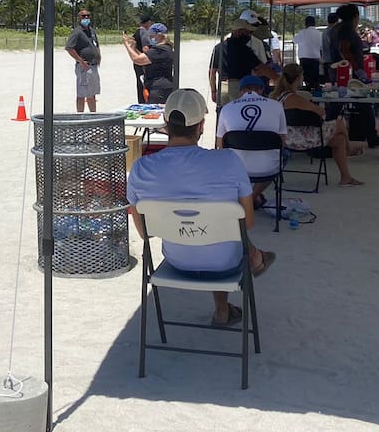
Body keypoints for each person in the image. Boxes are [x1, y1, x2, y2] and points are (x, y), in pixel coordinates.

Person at [127, 89, 275, 327]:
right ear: (202, 125)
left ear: (165, 123)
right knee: (227, 232)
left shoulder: (141, 169)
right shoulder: (228, 161)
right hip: (224, 264)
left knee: (218, 229)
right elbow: (247, 222)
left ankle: (226, 305)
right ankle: (253, 262)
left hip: (178, 262)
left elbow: (144, 233)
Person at [270, 63, 363, 186]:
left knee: (339, 139)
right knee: (340, 123)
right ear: (298, 78)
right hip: (303, 139)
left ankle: (346, 177)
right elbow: (321, 112)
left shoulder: (276, 97)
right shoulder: (294, 98)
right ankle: (349, 150)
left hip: (285, 139)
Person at [216, 74, 288, 208]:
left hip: (236, 169)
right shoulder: (276, 106)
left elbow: (220, 145)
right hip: (268, 168)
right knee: (285, 156)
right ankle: (252, 197)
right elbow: (283, 142)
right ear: (261, 90)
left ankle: (246, 197)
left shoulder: (226, 108)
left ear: (240, 91)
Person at [331, 3, 379, 147]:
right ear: (355, 16)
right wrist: (357, 69)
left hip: (342, 73)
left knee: (344, 105)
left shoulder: (337, 28)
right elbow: (344, 49)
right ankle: (371, 137)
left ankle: (371, 136)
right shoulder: (347, 29)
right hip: (350, 76)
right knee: (359, 104)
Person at [122, 22, 175, 103]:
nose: (150, 36)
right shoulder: (164, 48)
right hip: (158, 87)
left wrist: (127, 45)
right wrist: (133, 47)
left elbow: (138, 60)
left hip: (159, 89)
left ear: (160, 35)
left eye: (152, 34)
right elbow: (145, 57)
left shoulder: (161, 49)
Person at [65, 9, 101, 112]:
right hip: (83, 67)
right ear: (79, 18)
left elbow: (96, 45)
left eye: (88, 16)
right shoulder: (77, 32)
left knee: (92, 93)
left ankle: (93, 116)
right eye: (83, 16)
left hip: (93, 66)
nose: (86, 18)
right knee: (82, 93)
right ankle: (80, 116)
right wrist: (80, 61)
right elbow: (69, 48)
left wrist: (99, 56)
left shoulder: (92, 31)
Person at [293, 15, 323, 89]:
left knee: (306, 79)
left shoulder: (302, 32)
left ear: (306, 23)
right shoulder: (319, 33)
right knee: (315, 80)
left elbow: (294, 41)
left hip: (304, 60)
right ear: (314, 23)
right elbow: (321, 47)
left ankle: (308, 93)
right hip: (315, 59)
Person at [131, 13, 154, 102]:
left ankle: (141, 101)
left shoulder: (136, 32)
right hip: (143, 64)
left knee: (140, 85)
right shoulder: (144, 32)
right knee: (145, 85)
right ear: (148, 22)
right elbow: (146, 49)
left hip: (137, 62)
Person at [319, 12, 339, 83]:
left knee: (328, 83)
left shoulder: (324, 32)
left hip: (325, 60)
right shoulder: (334, 32)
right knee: (334, 82)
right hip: (333, 61)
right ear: (337, 21)